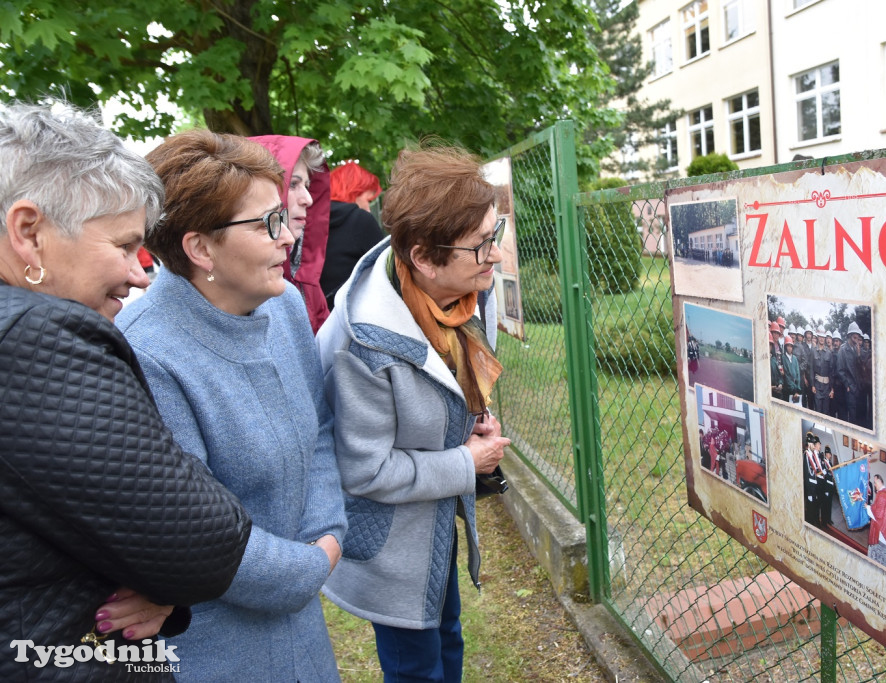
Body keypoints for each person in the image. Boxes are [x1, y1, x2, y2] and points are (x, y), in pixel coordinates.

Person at [0, 101, 251, 679]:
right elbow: (204, 547)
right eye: (121, 246)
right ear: (29, 232)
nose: (140, 273)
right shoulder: (34, 338)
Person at [117, 130, 348, 681]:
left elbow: (317, 430)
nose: (289, 236)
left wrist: (328, 533)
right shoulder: (147, 353)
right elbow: (191, 534)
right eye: (269, 223)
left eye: (284, 216)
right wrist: (310, 567)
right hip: (213, 645)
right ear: (200, 249)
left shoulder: (285, 304)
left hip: (301, 626)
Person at [317, 143, 510, 682]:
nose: (494, 255)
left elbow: (440, 391)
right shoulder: (365, 345)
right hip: (391, 542)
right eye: (479, 245)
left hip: (432, 525)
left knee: (447, 637)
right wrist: (466, 462)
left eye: (495, 235)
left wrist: (470, 421)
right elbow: (367, 470)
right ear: (423, 256)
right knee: (416, 665)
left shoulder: (459, 297)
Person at [250, 135, 332, 333]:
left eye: (307, 186)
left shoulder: (306, 282)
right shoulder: (243, 286)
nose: (308, 199)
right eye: (293, 184)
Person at [321, 161, 385, 310]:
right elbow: (388, 273)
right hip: (352, 317)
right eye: (368, 200)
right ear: (354, 192)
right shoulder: (360, 219)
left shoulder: (308, 220)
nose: (369, 209)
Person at [864, 474, 886, 571]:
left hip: (882, 532)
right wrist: (870, 507)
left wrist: (868, 507)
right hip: (881, 529)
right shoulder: (883, 493)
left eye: (875, 482)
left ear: (879, 481)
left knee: (881, 559)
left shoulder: (882, 495)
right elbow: (878, 509)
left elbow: (878, 515)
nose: (874, 485)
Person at [837, 322, 866, 427]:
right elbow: (840, 370)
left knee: (857, 415)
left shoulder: (856, 349)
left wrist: (858, 355)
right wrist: (847, 384)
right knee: (850, 414)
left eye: (857, 336)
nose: (856, 338)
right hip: (849, 388)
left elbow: (860, 369)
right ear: (849, 335)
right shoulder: (843, 350)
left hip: (857, 388)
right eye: (854, 336)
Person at [781, 335, 801, 403]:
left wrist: (798, 388)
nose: (789, 348)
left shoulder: (795, 358)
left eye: (791, 346)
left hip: (795, 389)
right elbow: (787, 376)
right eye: (788, 346)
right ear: (786, 347)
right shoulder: (783, 358)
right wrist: (793, 390)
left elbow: (798, 374)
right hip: (788, 389)